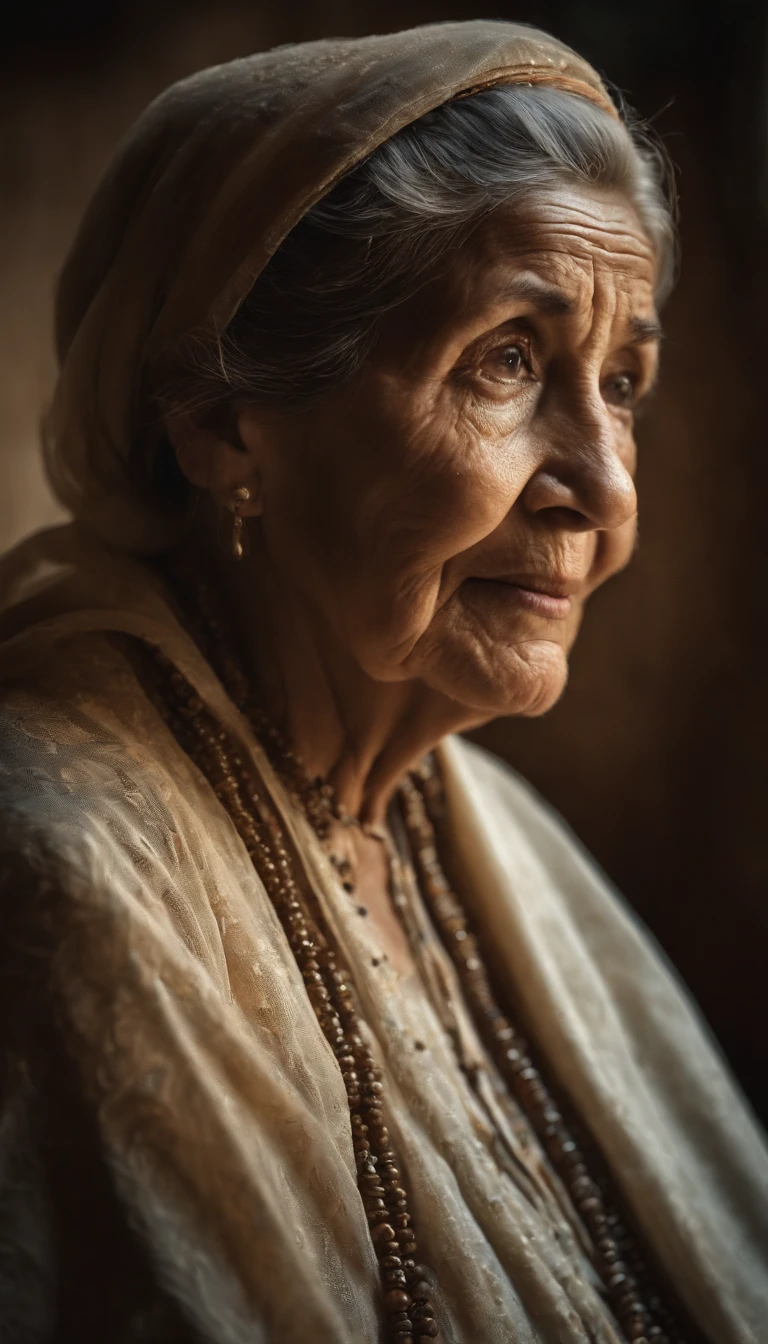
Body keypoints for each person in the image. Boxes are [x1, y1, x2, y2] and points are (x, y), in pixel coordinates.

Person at [0, 19, 765, 1344]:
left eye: (622, 380)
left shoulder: (490, 843)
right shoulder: (57, 874)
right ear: (223, 421)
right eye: (507, 360)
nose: (607, 491)